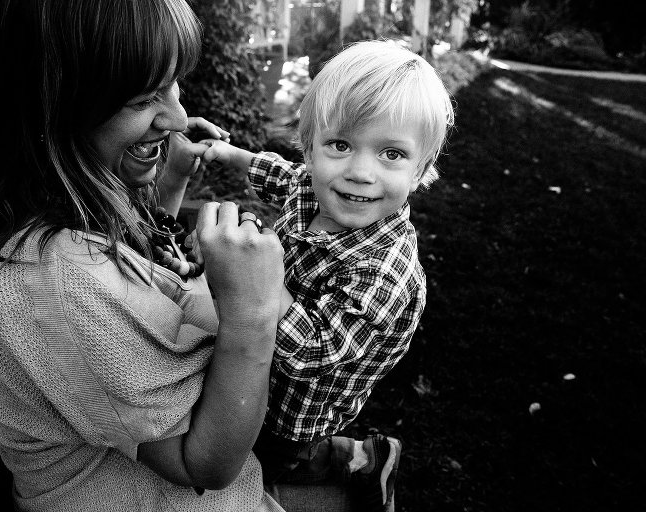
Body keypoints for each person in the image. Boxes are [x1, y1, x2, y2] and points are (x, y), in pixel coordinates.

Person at [0, 0, 293, 510]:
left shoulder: (62, 210)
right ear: (51, 108)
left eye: (173, 84)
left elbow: (135, 255)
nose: (178, 117)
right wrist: (254, 315)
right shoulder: (57, 283)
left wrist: (172, 179)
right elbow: (204, 463)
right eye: (145, 97)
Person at [194, 40, 455, 511]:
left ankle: (329, 478)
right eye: (339, 145)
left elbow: (316, 354)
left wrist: (261, 281)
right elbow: (278, 174)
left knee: (258, 466)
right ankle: (363, 458)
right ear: (310, 149)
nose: (359, 172)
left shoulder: (385, 273)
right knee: (304, 453)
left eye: (391, 154)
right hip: (263, 368)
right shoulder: (316, 187)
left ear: (421, 170)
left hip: (295, 407)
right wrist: (230, 155)